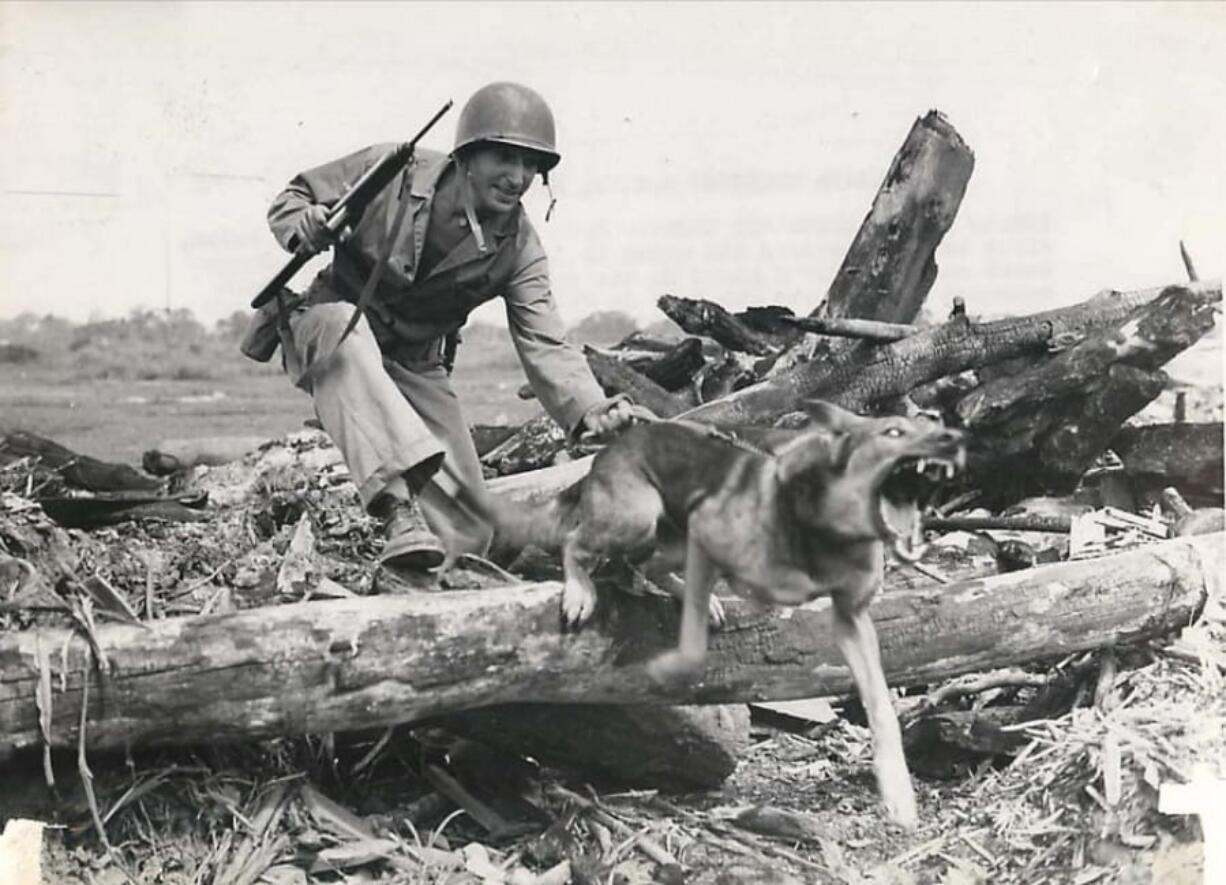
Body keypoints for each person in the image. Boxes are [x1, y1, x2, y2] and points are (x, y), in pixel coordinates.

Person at [243, 81, 640, 573]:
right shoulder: (391, 170)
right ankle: (396, 512)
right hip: (331, 325)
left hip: (415, 362)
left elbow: (545, 341)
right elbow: (295, 195)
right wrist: (304, 222)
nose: (517, 177)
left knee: (470, 529)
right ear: (468, 156)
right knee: (343, 333)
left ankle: (414, 587)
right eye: (505, 158)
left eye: (530, 164)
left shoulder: (520, 249)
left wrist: (592, 408)